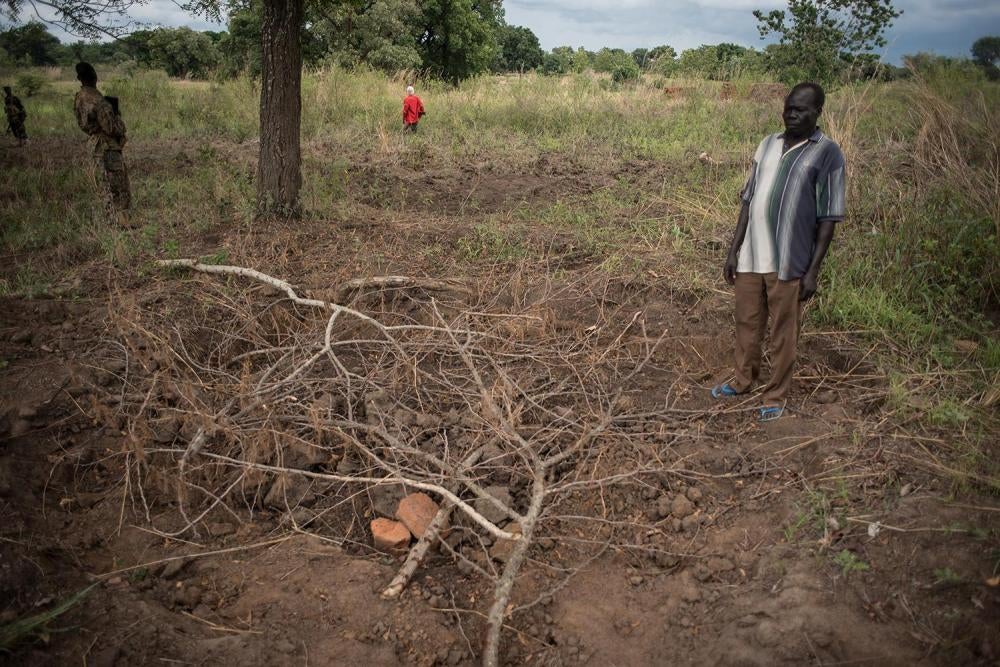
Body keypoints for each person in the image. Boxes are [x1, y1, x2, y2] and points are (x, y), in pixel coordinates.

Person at [712, 82, 846, 421]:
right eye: (788, 106)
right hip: (750, 257)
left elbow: (828, 217)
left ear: (818, 112)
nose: (791, 113)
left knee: (782, 331)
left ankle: (775, 395)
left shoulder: (827, 153)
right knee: (746, 322)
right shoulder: (767, 144)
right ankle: (743, 380)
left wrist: (813, 271)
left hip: (789, 260)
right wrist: (734, 249)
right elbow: (748, 199)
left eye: (800, 109)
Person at [73, 62, 131, 220]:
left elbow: (82, 123)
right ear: (94, 76)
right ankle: (121, 219)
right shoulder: (98, 100)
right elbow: (112, 128)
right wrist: (116, 115)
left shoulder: (79, 97)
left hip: (93, 144)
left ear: (79, 78)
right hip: (107, 145)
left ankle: (108, 217)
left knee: (102, 182)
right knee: (117, 184)